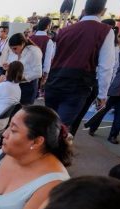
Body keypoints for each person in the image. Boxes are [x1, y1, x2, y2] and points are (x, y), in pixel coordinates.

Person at [45, 0, 115, 133]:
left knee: (48, 124)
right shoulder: (105, 31)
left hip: (54, 81)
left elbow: (54, 58)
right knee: (60, 129)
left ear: (84, 10)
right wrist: (102, 95)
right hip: (77, 86)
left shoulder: (64, 30)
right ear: (104, 11)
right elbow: (106, 66)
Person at [4, 33, 43, 105]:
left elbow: (38, 73)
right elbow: (19, 66)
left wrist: (22, 78)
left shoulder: (33, 51)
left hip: (28, 87)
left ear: (22, 43)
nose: (13, 51)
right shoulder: (17, 51)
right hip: (16, 85)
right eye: (11, 49)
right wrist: (9, 67)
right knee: (14, 109)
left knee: (24, 109)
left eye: (15, 48)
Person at [30, 17, 56, 91]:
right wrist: (45, 75)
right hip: (38, 71)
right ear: (48, 26)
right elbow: (47, 60)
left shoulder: (30, 38)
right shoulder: (48, 41)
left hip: (26, 69)